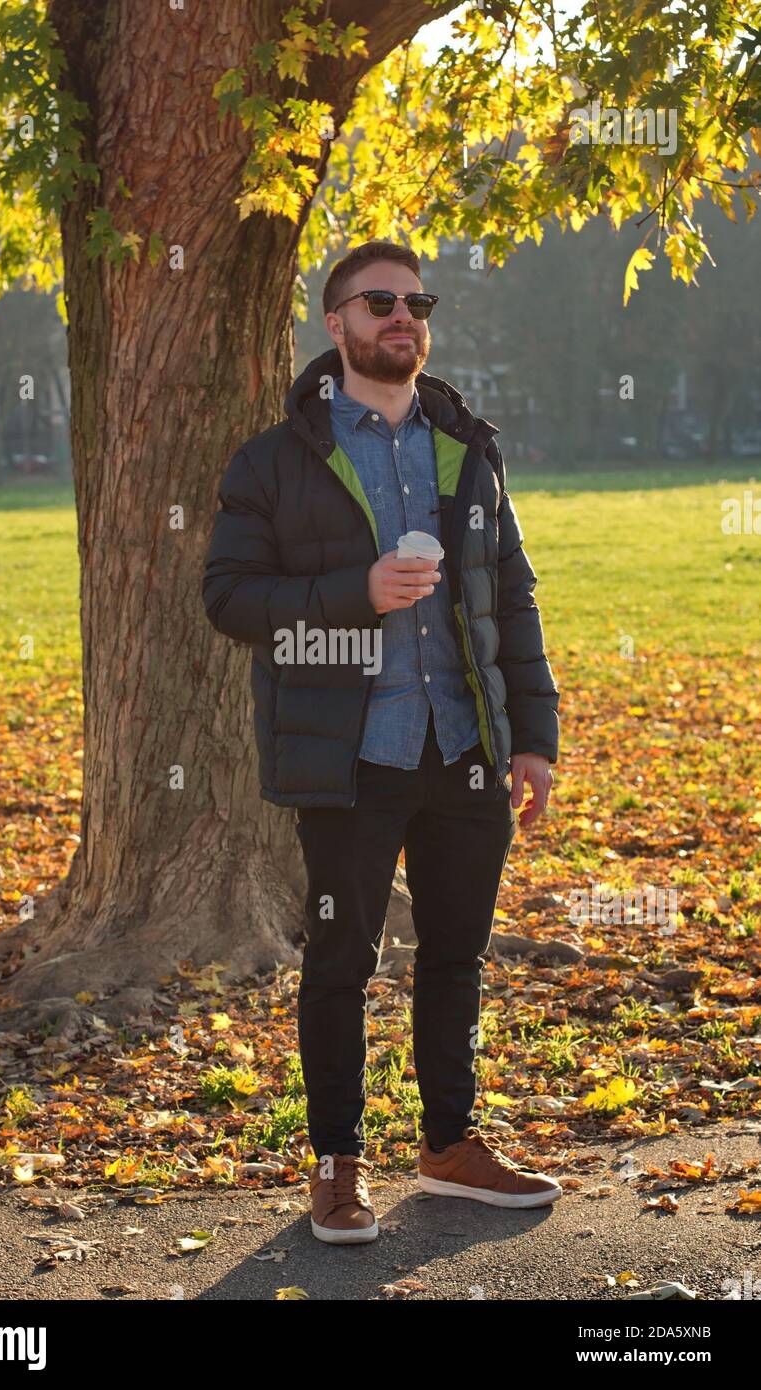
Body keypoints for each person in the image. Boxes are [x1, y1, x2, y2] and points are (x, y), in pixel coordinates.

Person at [203, 239, 561, 1245]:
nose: (401, 315)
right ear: (336, 324)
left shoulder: (465, 446)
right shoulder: (275, 459)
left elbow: (513, 596)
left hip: (465, 752)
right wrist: (352, 596)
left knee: (455, 954)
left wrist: (530, 737)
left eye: (414, 301)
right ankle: (335, 1165)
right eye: (378, 301)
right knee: (339, 962)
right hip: (348, 759)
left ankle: (449, 1143)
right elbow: (228, 598)